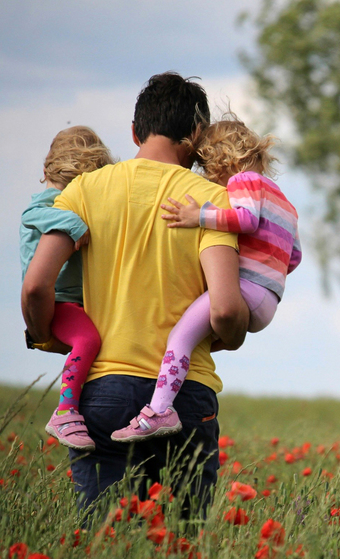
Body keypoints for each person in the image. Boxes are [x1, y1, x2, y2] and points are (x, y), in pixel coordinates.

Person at [21, 72, 250, 515]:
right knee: (181, 540)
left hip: (102, 391)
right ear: (197, 134)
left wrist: (46, 334)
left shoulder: (84, 191)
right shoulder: (211, 201)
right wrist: (235, 332)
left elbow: (35, 285)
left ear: (134, 131)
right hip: (184, 396)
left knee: (105, 536)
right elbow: (224, 308)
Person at [112, 118, 302, 442]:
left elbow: (245, 219)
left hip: (246, 289)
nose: (210, 178)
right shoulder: (285, 202)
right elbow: (294, 257)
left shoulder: (244, 181)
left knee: (180, 337)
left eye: (208, 167)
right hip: (269, 299)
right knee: (198, 337)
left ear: (222, 160)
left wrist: (197, 216)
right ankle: (170, 392)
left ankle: (159, 410)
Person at [20, 126, 113, 451]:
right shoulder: (50, 202)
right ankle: (65, 411)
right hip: (58, 301)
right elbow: (32, 214)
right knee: (88, 339)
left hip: (73, 301)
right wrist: (75, 224)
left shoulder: (64, 199)